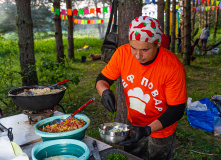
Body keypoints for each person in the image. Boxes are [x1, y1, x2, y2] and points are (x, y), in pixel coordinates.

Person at [95, 16, 187, 160]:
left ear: (157, 44)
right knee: (133, 156)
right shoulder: (122, 54)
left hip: (162, 128)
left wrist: (147, 130)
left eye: (145, 49)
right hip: (134, 123)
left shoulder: (172, 67)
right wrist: (104, 92)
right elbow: (102, 79)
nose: (138, 55)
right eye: (133, 48)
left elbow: (176, 110)